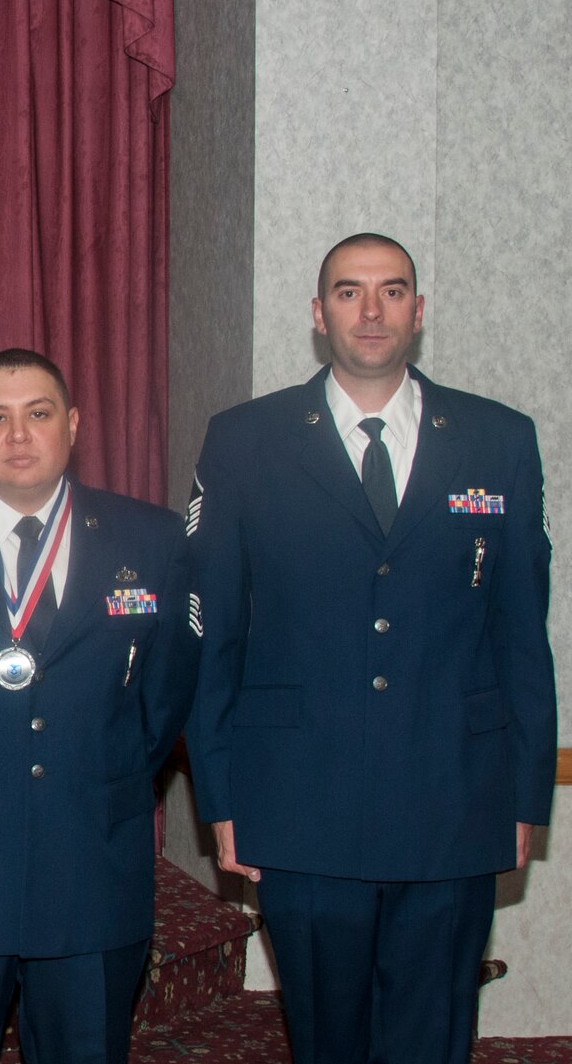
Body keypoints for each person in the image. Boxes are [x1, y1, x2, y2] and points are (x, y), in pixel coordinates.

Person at [186, 233, 555, 1064]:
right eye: (349, 292)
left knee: (435, 1038)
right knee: (328, 1040)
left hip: (454, 801)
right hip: (300, 805)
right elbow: (213, 634)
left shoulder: (498, 441)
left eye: (392, 291)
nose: (372, 309)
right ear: (320, 316)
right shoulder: (246, 440)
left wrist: (526, 794)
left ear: (419, 313)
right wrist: (222, 799)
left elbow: (521, 631)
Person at [0, 348, 197, 1064]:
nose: (18, 435)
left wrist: (103, 766)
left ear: (74, 424)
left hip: (90, 868)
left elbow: (168, 690)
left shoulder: (153, 539)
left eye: (38, 414)